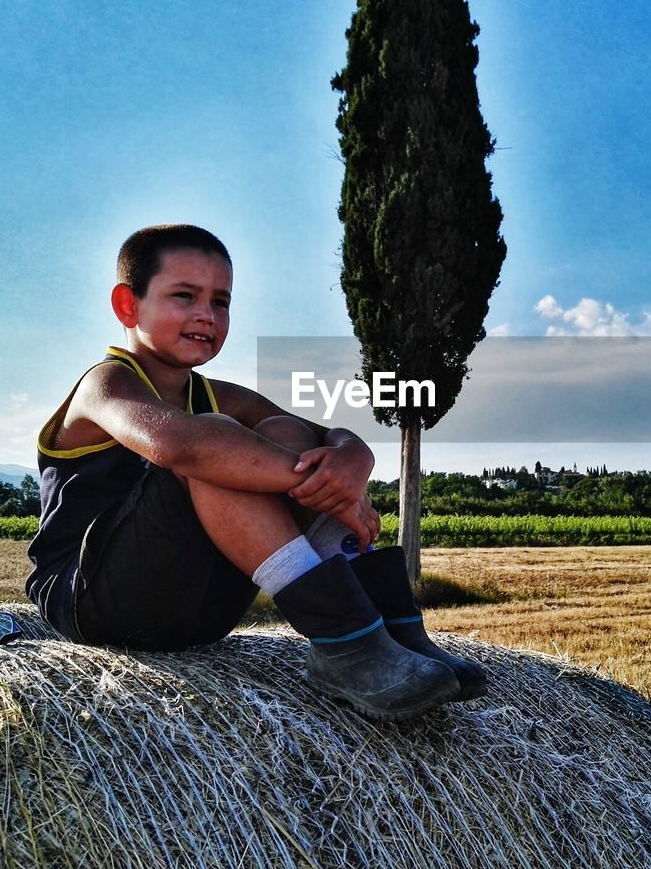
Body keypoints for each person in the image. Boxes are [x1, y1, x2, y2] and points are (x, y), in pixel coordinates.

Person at [25, 224, 485, 720]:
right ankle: (345, 640)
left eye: (221, 302)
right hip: (94, 600)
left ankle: (389, 632)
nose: (206, 313)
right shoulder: (105, 383)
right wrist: (327, 489)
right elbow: (179, 445)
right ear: (127, 306)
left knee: (283, 432)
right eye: (184, 296)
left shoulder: (219, 394)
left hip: (200, 611)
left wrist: (354, 460)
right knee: (216, 444)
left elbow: (323, 434)